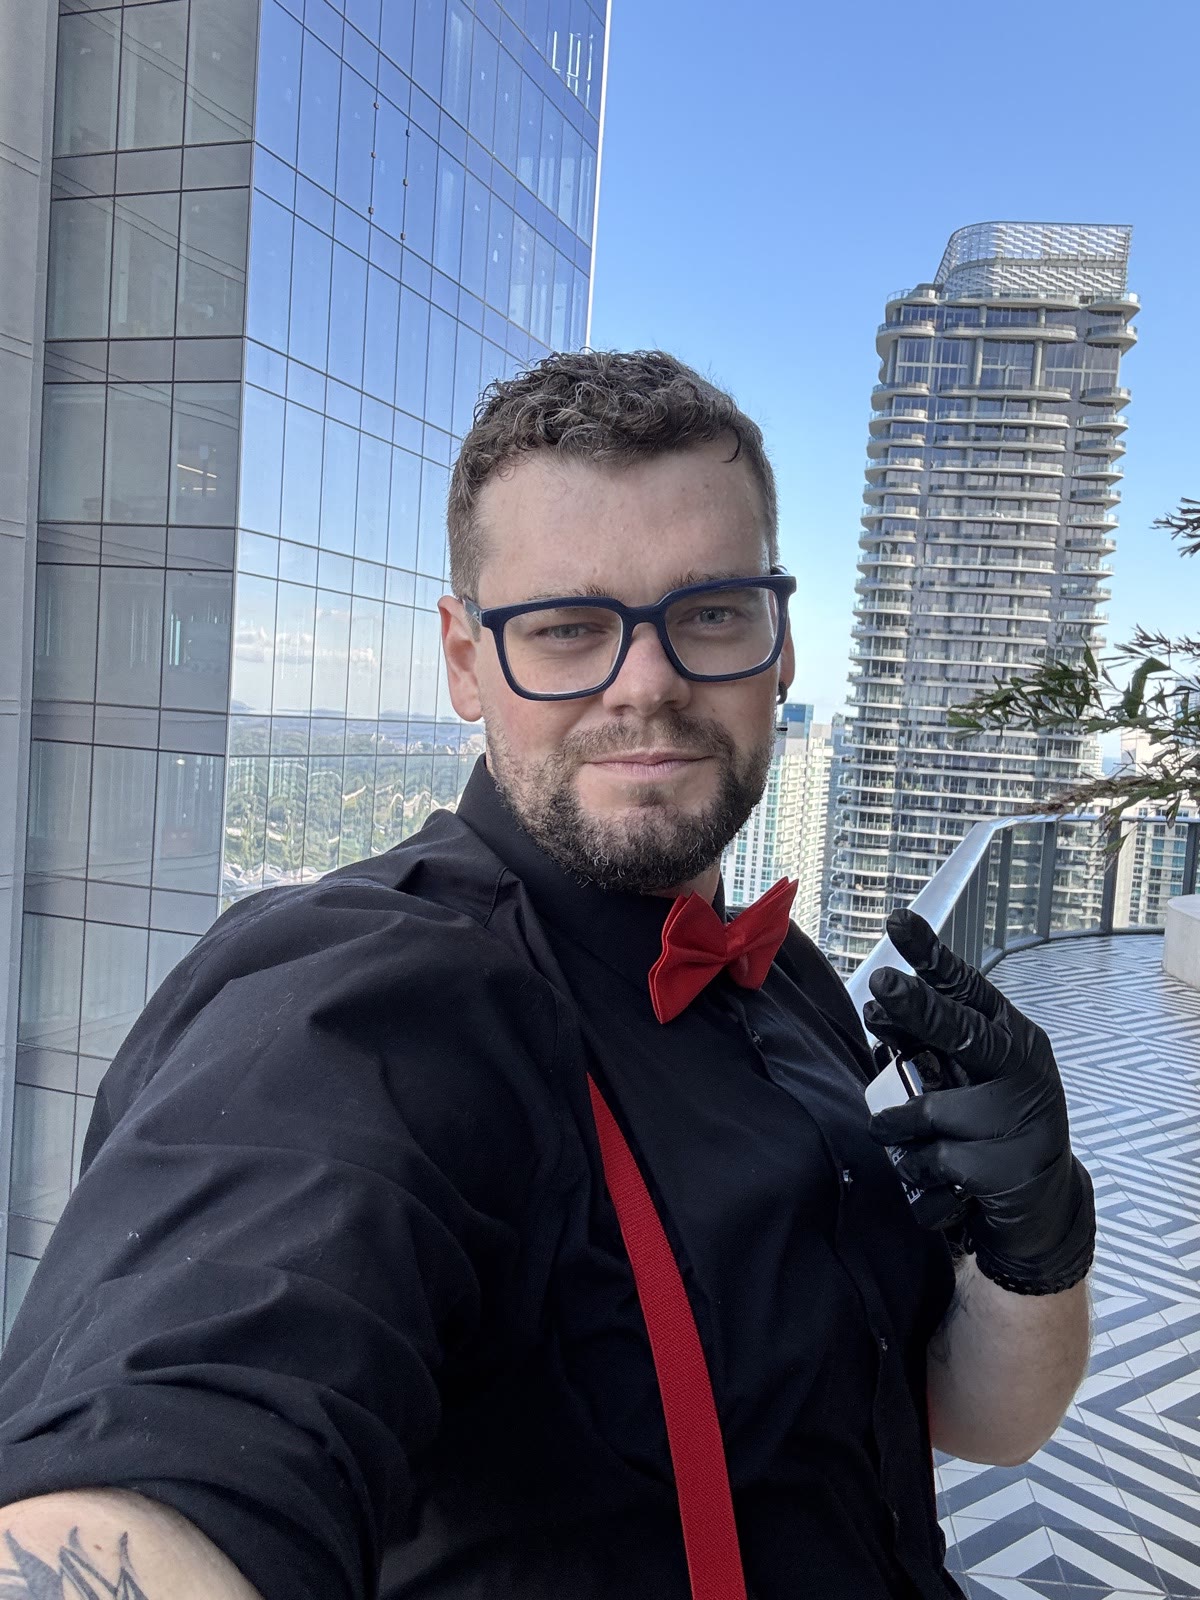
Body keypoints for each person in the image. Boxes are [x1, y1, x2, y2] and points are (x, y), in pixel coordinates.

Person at [0, 351, 1094, 1600]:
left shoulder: (791, 979)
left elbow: (976, 1422)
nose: (648, 683)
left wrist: (1034, 1238)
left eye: (711, 612)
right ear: (466, 661)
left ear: (781, 646)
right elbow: (174, 1435)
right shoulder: (368, 998)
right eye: (568, 628)